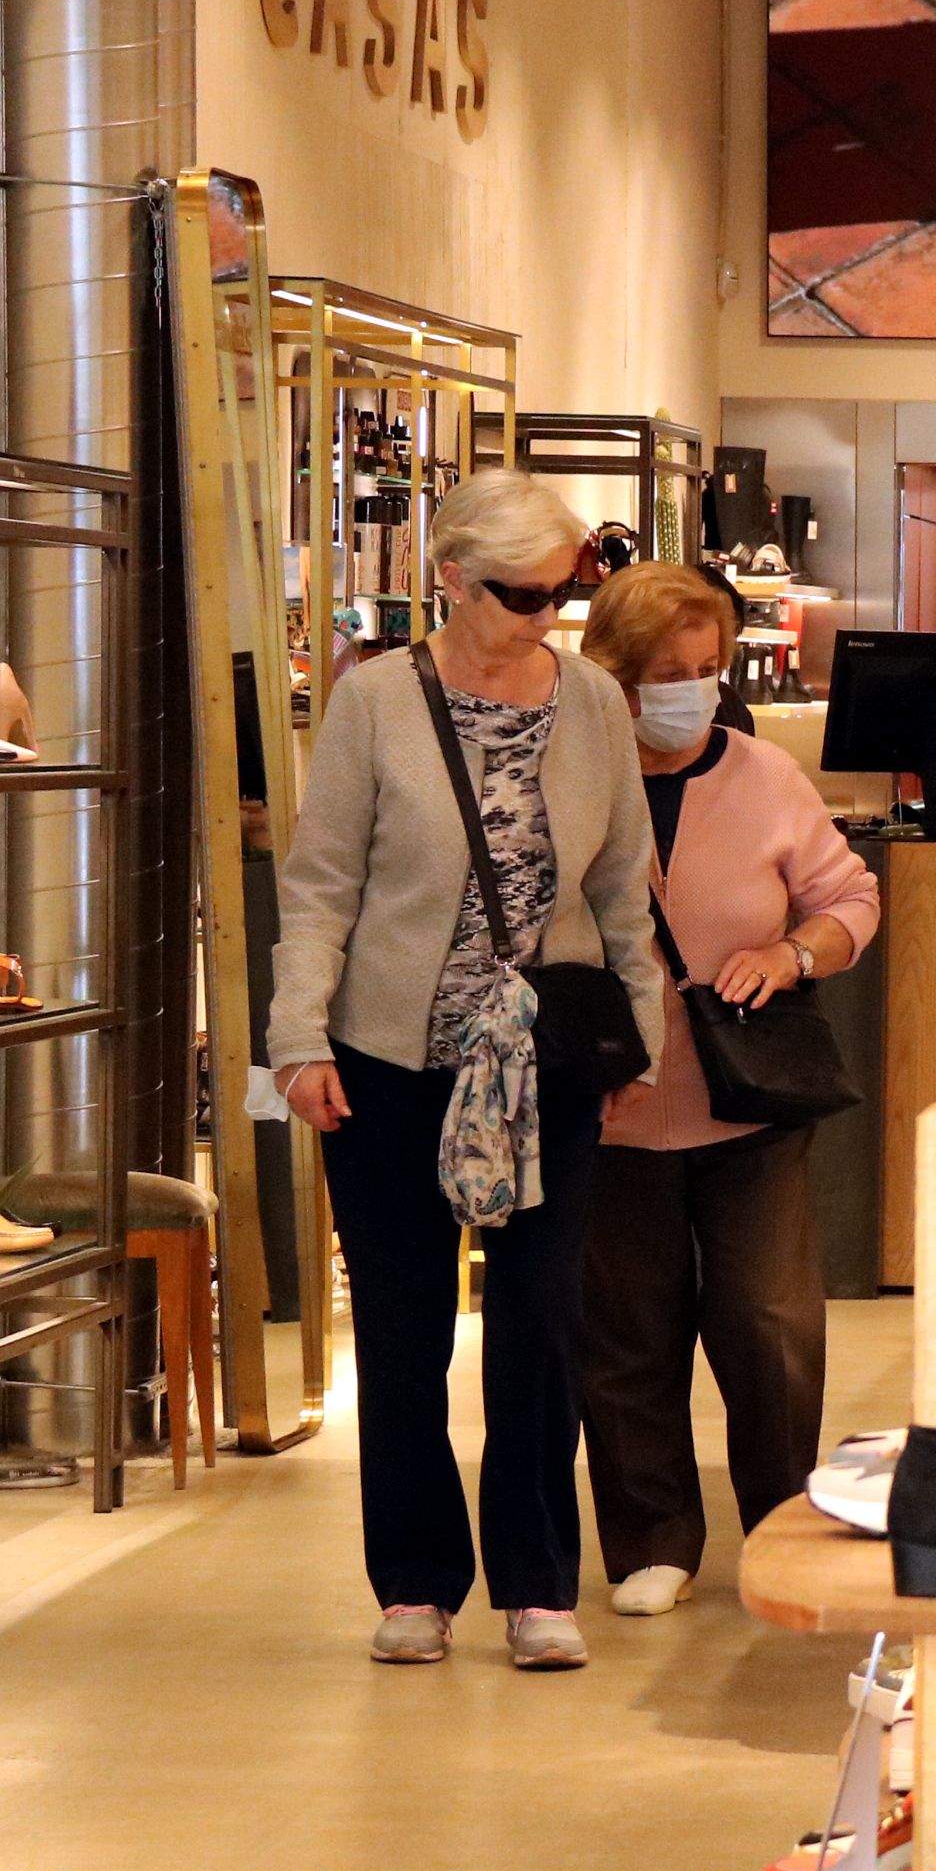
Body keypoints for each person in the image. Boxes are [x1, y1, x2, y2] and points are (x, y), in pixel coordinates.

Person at [271, 469, 666, 1673]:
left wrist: (632, 1035)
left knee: (540, 1326)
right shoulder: (376, 701)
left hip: (542, 1056)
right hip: (388, 1055)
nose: (544, 615)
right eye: (519, 594)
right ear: (447, 575)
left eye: (562, 592)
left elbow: (621, 888)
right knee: (401, 1329)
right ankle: (416, 1582)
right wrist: (296, 1034)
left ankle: (540, 1583)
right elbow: (322, 880)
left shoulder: (593, 700)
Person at [575, 562, 883, 1617]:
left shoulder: (761, 776)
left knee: (769, 1324)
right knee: (625, 1333)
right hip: (611, 1108)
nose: (693, 691)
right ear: (613, 680)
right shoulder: (568, 778)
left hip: (745, 1098)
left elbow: (849, 894)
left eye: (708, 670)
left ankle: (777, 1527)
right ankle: (650, 1536)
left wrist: (795, 953)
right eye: (669, 672)